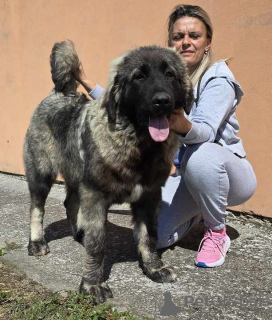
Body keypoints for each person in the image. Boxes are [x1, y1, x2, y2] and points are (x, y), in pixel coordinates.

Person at [75, 4, 257, 268]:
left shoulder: (218, 79)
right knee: (149, 234)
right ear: (170, 43)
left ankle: (217, 231)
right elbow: (126, 100)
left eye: (194, 36)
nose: (186, 42)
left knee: (201, 156)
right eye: (178, 36)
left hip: (229, 175)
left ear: (207, 42)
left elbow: (204, 131)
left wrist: (179, 122)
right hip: (189, 176)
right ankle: (198, 210)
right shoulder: (166, 77)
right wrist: (86, 81)